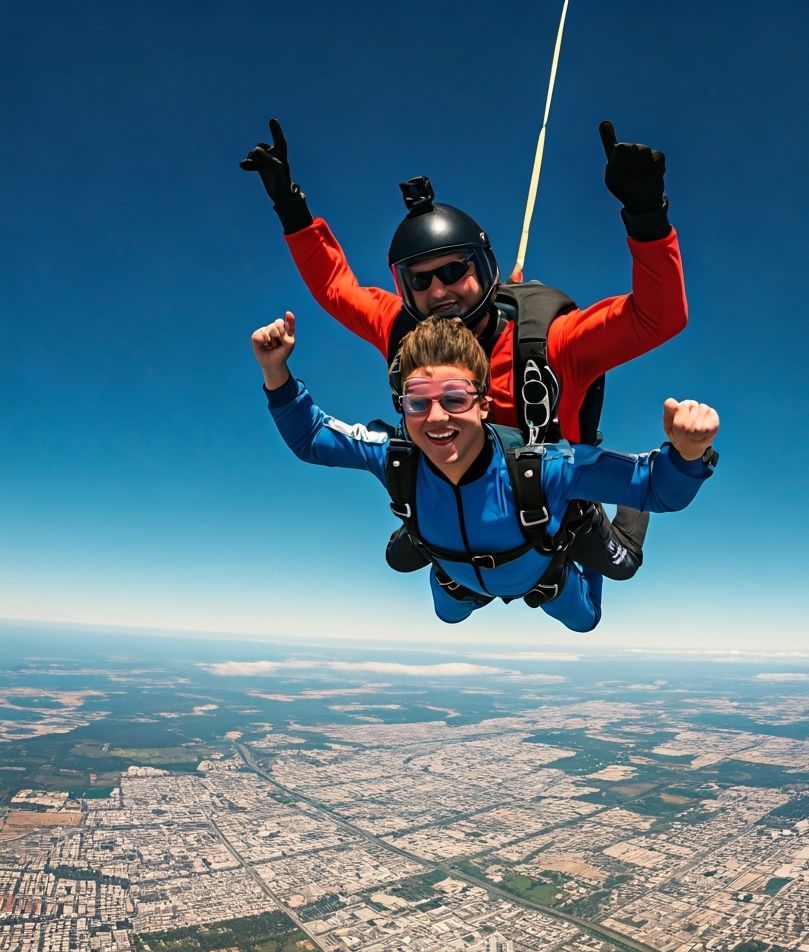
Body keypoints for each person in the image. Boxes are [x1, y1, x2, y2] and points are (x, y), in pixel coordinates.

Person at [241, 118, 687, 581]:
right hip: (452, 492)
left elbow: (658, 318)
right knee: (410, 561)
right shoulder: (402, 331)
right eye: (420, 280)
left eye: (454, 271)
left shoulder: (550, 342)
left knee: (620, 567)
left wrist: (647, 217)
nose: (438, 292)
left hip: (553, 494)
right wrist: (290, 207)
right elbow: (336, 288)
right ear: (404, 288)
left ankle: (628, 518)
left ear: (484, 267)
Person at [251, 312, 719, 633]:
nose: (436, 418)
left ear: (484, 405)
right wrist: (275, 371)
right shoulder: (395, 456)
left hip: (542, 575)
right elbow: (311, 438)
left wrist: (687, 454)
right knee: (448, 615)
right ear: (402, 407)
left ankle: (588, 510)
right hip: (459, 578)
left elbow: (657, 489)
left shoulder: (543, 469)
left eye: (454, 399)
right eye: (418, 402)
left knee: (589, 616)